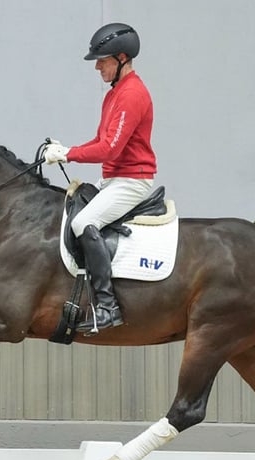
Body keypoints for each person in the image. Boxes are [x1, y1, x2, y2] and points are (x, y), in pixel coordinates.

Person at [44, 22, 157, 333]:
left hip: (132, 180)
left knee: (83, 223)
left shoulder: (132, 94)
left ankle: (107, 307)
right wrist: (66, 149)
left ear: (121, 58)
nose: (97, 67)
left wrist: (67, 154)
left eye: (102, 60)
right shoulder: (114, 94)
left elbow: (109, 149)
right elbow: (99, 142)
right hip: (114, 179)